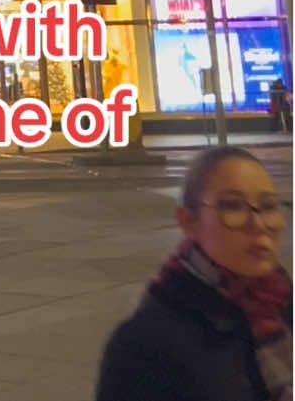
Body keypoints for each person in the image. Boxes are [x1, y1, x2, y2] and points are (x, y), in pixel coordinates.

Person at [95, 145, 291, 400]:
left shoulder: (282, 300)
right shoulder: (145, 345)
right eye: (232, 206)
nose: (259, 224)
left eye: (267, 206)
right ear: (189, 221)